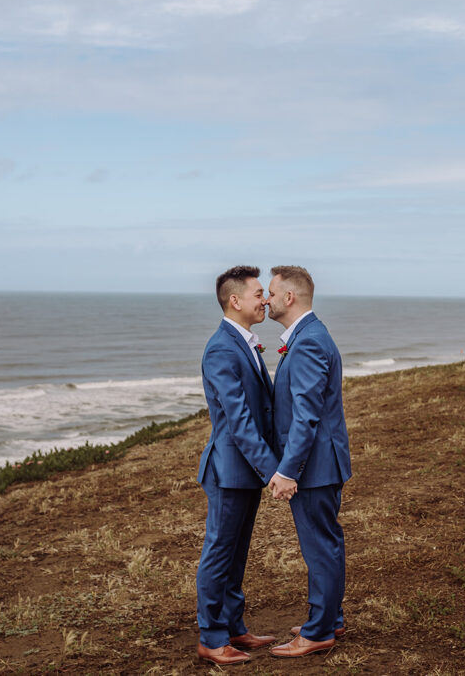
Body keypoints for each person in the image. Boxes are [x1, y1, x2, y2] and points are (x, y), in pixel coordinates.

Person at [265, 265, 352, 658]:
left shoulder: (309, 341)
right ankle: (329, 619)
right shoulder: (308, 335)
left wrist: (286, 470)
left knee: (320, 546)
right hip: (321, 463)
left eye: (270, 292)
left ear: (289, 298)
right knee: (325, 543)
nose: (265, 299)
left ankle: (318, 631)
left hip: (315, 466)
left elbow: (306, 415)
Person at [195, 265, 280, 666]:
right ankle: (212, 639)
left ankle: (233, 626)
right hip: (230, 469)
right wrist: (274, 470)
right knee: (219, 551)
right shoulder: (221, 348)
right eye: (259, 293)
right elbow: (239, 421)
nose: (265, 299)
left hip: (245, 470)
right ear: (235, 300)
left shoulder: (244, 342)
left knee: (237, 552)